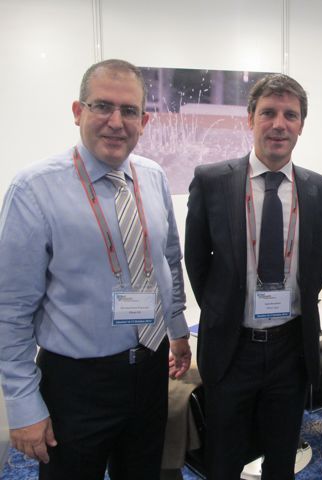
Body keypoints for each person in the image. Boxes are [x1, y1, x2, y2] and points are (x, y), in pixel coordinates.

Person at [0, 59, 192, 479]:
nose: (116, 122)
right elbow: (10, 310)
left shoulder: (153, 176)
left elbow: (168, 261)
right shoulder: (33, 189)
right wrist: (22, 402)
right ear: (77, 111)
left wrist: (177, 329)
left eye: (129, 111)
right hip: (77, 382)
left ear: (144, 121)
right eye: (102, 106)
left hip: (150, 368)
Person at [184, 73, 322, 480]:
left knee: (281, 460)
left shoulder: (321, 190)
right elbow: (196, 260)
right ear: (250, 118)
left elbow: (319, 266)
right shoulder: (212, 181)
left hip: (291, 349)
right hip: (232, 348)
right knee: (223, 461)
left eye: (290, 115)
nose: (279, 124)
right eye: (268, 112)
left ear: (301, 125)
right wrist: (223, 308)